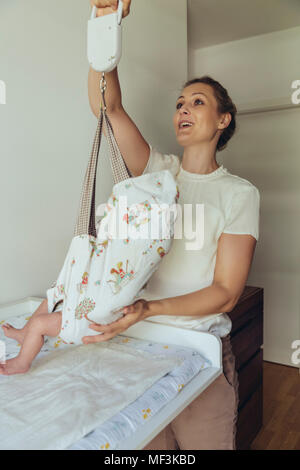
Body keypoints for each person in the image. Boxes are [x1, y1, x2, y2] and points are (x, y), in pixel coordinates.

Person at [3, 0, 260, 450]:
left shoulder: (239, 193)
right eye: (180, 102)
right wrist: (104, 34)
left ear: (223, 120)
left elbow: (226, 292)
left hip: (195, 346)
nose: (183, 109)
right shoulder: (156, 176)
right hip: (132, 346)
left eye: (198, 102)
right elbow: (108, 108)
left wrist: (149, 310)